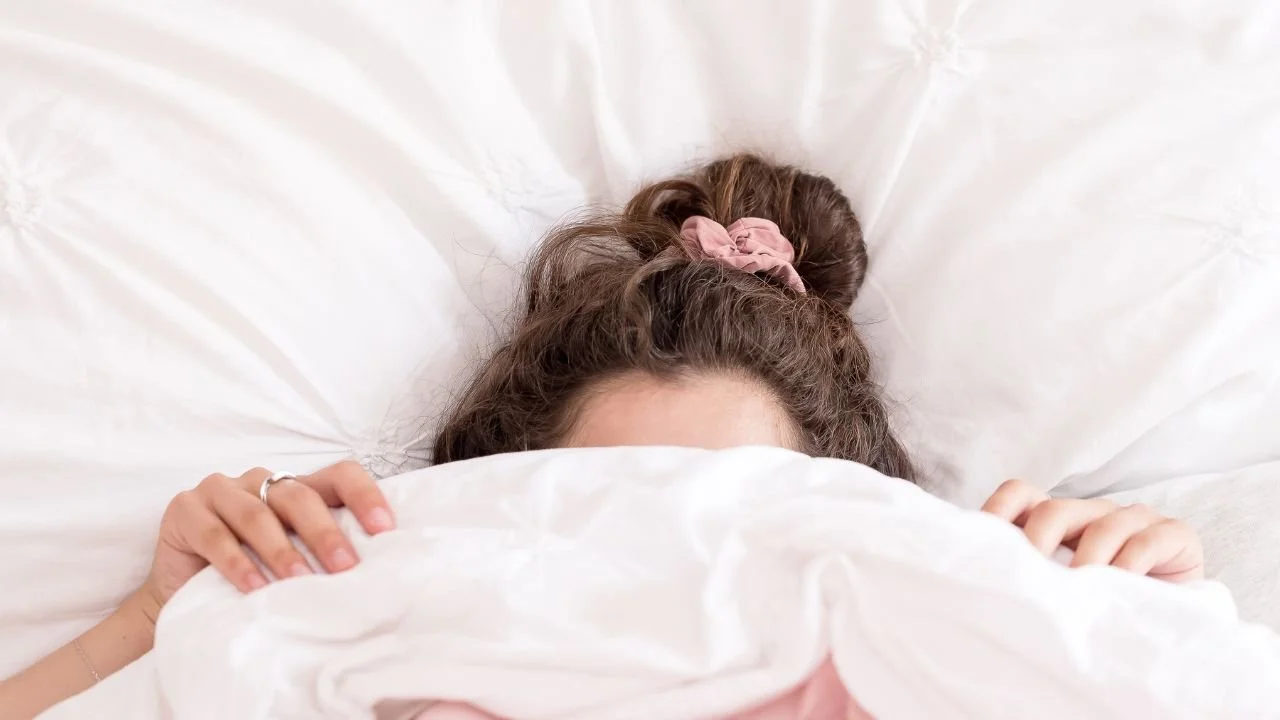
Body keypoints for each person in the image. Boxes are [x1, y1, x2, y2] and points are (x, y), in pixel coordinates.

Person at [0, 155, 1204, 718]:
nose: (677, 568)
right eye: (615, 512)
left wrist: (1114, 628)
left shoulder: (897, 673)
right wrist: (152, 634)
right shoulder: (408, 677)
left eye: (733, 521)